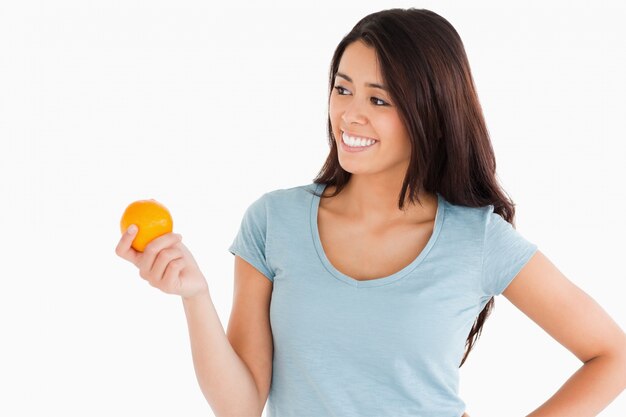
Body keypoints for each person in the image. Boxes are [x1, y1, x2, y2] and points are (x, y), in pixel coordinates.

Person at [115, 7, 626, 417]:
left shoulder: (478, 240)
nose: (349, 114)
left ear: (432, 113)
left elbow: (613, 357)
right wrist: (194, 296)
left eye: (379, 100)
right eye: (342, 88)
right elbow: (240, 406)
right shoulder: (273, 222)